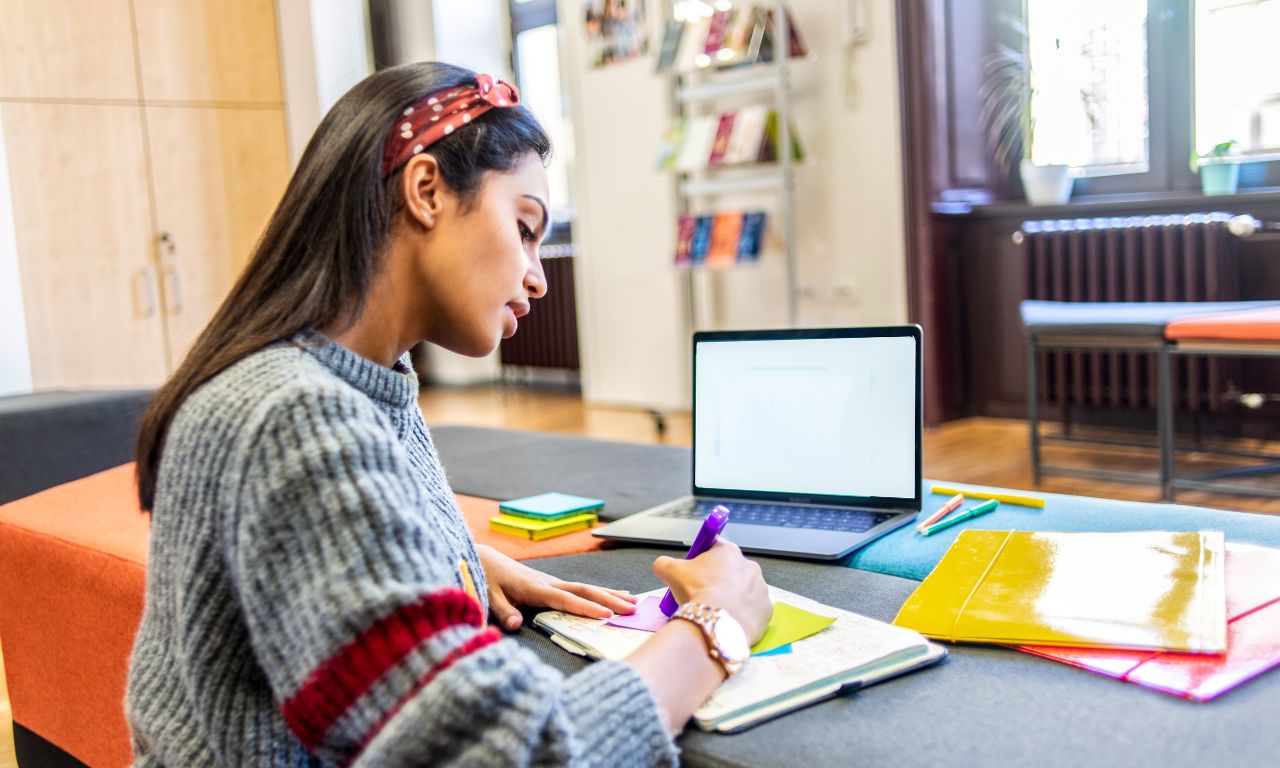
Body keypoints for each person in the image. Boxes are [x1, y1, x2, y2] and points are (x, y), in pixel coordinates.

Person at [126, 61, 772, 767]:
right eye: (524, 227)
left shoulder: (356, 384)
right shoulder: (295, 414)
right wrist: (717, 626)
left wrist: (443, 558)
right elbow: (511, 755)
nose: (538, 274)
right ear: (426, 189)